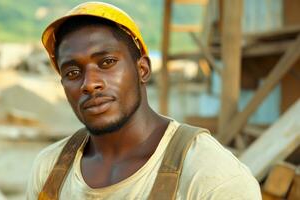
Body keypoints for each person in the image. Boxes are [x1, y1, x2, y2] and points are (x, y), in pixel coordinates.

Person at [27, 2, 261, 199]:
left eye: (107, 62)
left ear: (143, 70)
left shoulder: (211, 176)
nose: (89, 83)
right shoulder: (50, 168)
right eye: (72, 73)